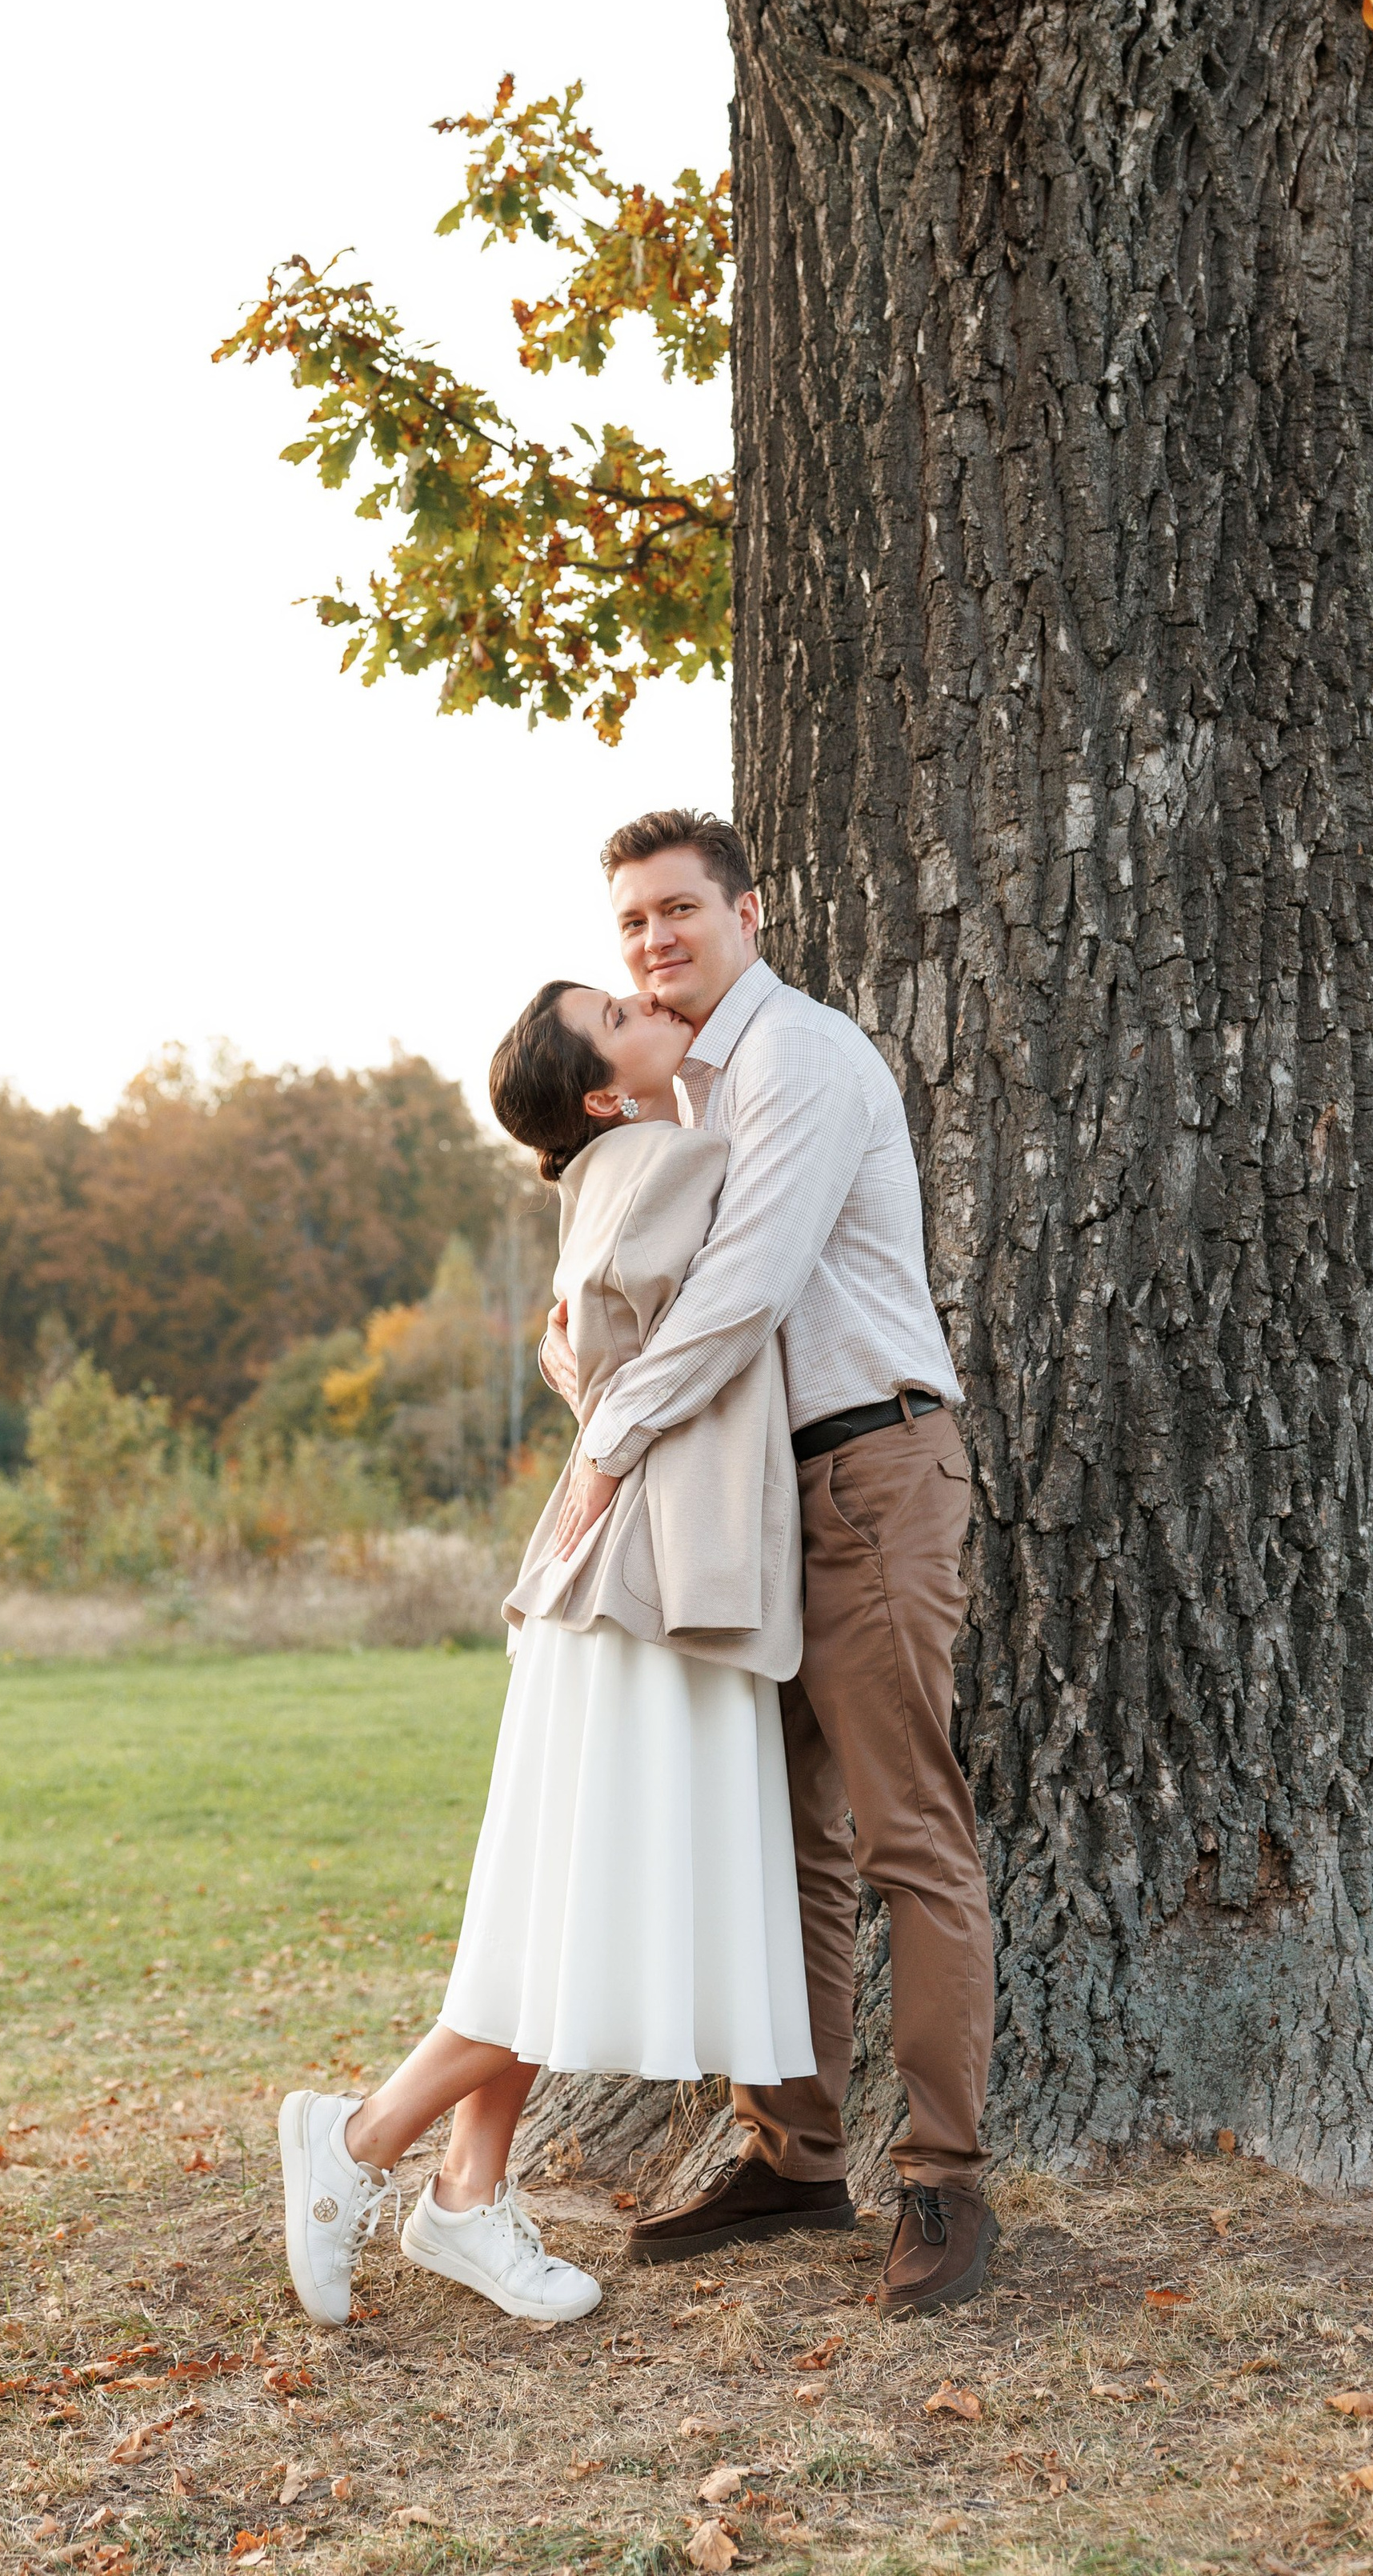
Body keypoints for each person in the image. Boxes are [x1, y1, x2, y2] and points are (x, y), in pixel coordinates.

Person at [277, 978, 818, 2330]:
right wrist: (603, 1405)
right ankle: (355, 2145)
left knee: (555, 1905)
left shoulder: (624, 1158)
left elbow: (591, 1334)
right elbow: (671, 1312)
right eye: (616, 1014)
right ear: (603, 1092)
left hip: (620, 1587)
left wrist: (587, 1388)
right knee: (575, 1913)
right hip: (640, 1591)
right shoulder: (676, 1154)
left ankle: (463, 2195)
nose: (646, 999)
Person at [540, 809, 998, 2315]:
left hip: (870, 1466)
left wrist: (608, 1446)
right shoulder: (675, 1098)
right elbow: (636, 1309)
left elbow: (743, 1290)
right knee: (779, 1838)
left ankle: (943, 2183)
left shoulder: (799, 1056)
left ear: (749, 909)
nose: (656, 942)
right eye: (633, 927)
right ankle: (793, 2155)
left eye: (679, 911)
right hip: (748, 1499)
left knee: (904, 1833)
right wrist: (590, 1390)